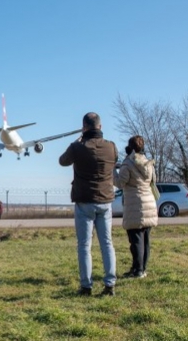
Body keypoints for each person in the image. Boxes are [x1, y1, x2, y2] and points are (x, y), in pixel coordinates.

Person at [59, 112, 119, 296]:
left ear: (84, 127)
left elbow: (62, 161)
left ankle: (86, 286)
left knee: (85, 245)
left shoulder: (77, 147)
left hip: (84, 200)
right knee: (107, 243)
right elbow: (115, 161)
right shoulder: (111, 147)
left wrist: (79, 140)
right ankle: (110, 284)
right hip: (105, 200)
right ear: (100, 127)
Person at [114, 136, 158, 279]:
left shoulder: (128, 163)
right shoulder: (148, 162)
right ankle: (141, 268)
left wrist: (113, 171)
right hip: (149, 203)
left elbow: (120, 183)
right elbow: (153, 181)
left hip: (134, 204)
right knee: (145, 239)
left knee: (135, 240)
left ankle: (137, 270)